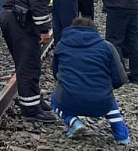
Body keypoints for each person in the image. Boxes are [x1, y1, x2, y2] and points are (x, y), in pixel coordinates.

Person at [0, 0, 74, 123]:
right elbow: (38, 4)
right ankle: (31, 110)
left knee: (29, 62)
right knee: (29, 65)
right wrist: (45, 30)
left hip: (15, 17)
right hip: (20, 20)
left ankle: (35, 101)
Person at [50, 16, 130, 144]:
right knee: (110, 101)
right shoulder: (107, 47)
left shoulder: (61, 45)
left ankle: (73, 122)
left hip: (68, 100)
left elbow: (55, 73)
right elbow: (120, 78)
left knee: (54, 99)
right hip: (100, 102)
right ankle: (122, 136)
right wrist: (105, 88)